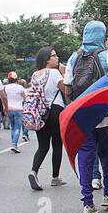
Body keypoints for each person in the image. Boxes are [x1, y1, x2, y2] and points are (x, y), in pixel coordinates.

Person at [64, 20, 108, 213]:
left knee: (86, 156)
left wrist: (73, 108)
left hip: (83, 117)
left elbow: (67, 87)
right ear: (102, 36)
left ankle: (87, 204)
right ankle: (107, 195)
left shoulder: (74, 57)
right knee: (107, 153)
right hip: (105, 116)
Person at [27, 47, 67, 190]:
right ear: (47, 59)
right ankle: (55, 177)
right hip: (55, 110)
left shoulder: (35, 75)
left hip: (40, 113)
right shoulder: (54, 72)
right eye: (54, 56)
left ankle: (34, 171)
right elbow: (65, 89)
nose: (57, 58)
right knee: (57, 144)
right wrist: (64, 74)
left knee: (43, 145)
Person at [4, 71, 25, 153]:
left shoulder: (5, 87)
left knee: (13, 127)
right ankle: (14, 143)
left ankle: (13, 143)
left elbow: (4, 98)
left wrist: (5, 108)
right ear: (16, 79)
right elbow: (24, 98)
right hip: (19, 109)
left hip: (9, 108)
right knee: (17, 127)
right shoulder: (20, 87)